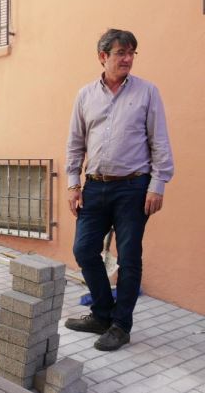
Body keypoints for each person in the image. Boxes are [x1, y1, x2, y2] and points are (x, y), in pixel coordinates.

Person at [64, 29, 174, 351]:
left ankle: (120, 325)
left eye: (131, 53)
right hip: (95, 187)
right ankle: (101, 313)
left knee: (129, 257)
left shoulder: (147, 92)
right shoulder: (85, 95)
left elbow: (160, 142)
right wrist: (73, 184)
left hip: (133, 188)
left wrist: (158, 185)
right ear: (103, 57)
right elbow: (75, 144)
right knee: (84, 249)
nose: (127, 59)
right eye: (120, 53)